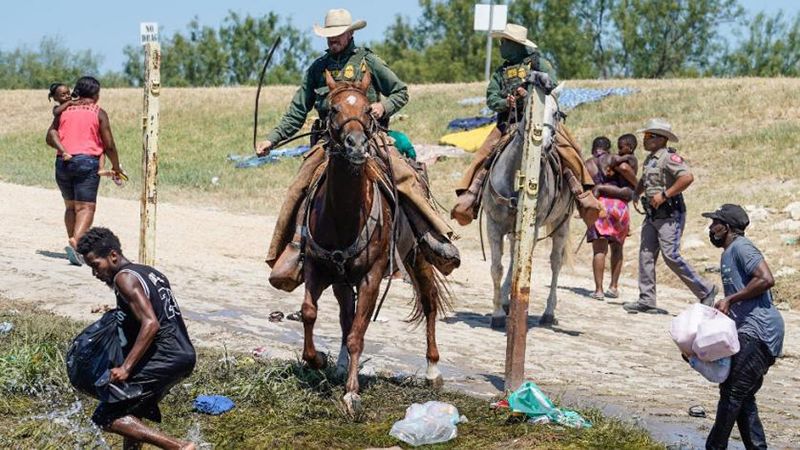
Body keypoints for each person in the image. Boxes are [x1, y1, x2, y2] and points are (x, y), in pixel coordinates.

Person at [255, 8, 459, 288]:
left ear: (350, 33)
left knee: (405, 177)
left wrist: (382, 106)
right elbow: (296, 112)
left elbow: (400, 91)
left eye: (337, 35)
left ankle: (433, 237)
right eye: (328, 36)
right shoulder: (317, 68)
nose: (332, 41)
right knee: (299, 186)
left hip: (370, 138)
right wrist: (272, 139)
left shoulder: (368, 61)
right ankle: (291, 250)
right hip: (329, 143)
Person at [449, 23, 602, 228]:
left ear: (515, 45)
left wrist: (529, 93)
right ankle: (471, 195)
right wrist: (506, 103)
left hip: (543, 119)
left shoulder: (539, 62)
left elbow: (552, 87)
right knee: (484, 153)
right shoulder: (500, 72)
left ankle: (582, 194)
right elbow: (491, 97)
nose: (501, 46)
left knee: (570, 150)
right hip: (509, 123)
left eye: (504, 42)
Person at [77, 227, 196, 450]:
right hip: (183, 354)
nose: (95, 273)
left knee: (105, 416)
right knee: (130, 413)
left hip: (165, 357)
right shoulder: (149, 272)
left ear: (113, 256)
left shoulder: (124, 278)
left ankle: (180, 447)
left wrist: (126, 368)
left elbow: (151, 323)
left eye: (96, 265)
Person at [701, 204, 784, 450]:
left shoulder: (742, 247)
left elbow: (766, 279)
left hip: (760, 331)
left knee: (732, 392)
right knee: (742, 396)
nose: (711, 228)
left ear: (726, 227)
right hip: (747, 330)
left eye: (714, 223)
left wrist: (730, 299)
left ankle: (714, 447)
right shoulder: (728, 253)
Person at [623, 119, 717, 314]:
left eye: (649, 137)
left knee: (671, 255)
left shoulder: (669, 158)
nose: (645, 140)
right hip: (653, 214)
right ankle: (647, 299)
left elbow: (687, 177)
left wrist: (665, 194)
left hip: (670, 215)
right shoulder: (650, 159)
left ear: (660, 139)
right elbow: (646, 178)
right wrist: (636, 192)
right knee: (646, 255)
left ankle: (706, 290)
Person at [45, 76, 124, 266]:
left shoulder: (64, 111)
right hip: (86, 162)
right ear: (96, 94)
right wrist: (115, 165)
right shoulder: (98, 112)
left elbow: (49, 137)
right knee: (86, 207)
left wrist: (64, 149)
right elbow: (109, 145)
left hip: (63, 162)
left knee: (71, 206)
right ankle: (76, 243)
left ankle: (73, 241)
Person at [584, 136, 636, 300]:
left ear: (594, 148)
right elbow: (626, 170)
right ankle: (613, 287)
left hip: (599, 206)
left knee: (599, 250)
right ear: (609, 147)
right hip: (619, 206)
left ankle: (598, 290)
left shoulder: (587, 164)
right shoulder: (612, 159)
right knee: (617, 248)